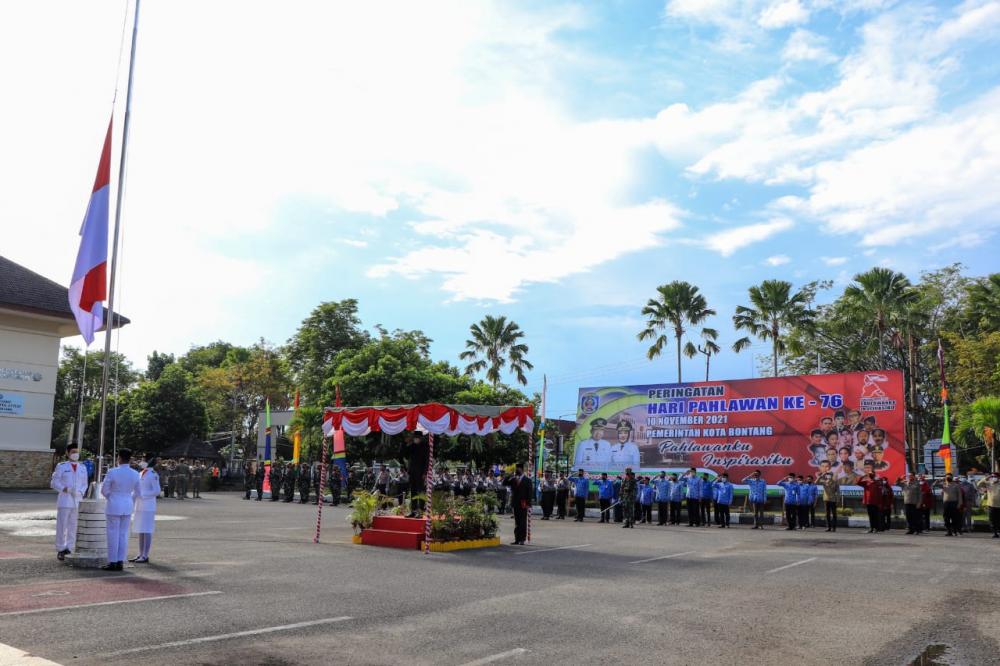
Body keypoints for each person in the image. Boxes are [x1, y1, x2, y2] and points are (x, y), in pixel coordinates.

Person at [101, 449, 141, 571]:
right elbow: (138, 492)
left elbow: (104, 490)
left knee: (113, 534)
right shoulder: (135, 473)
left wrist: (112, 497)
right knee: (123, 534)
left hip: (114, 504)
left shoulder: (112, 472)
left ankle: (112, 561)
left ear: (119, 458)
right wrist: (128, 499)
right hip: (127, 504)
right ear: (130, 459)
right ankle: (120, 561)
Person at [50, 443, 89, 561]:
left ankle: (70, 548)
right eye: (73, 452)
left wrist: (81, 492)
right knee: (62, 526)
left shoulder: (83, 467)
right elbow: (54, 482)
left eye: (77, 452)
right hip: (65, 499)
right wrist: (65, 488)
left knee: (73, 525)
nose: (75, 454)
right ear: (67, 453)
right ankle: (61, 549)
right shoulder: (61, 466)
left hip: (77, 500)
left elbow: (85, 483)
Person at [130, 455, 160, 563]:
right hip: (139, 505)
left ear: (149, 461)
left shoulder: (153, 474)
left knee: (146, 530)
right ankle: (140, 553)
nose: (141, 462)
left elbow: (157, 490)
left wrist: (143, 495)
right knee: (140, 530)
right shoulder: (141, 473)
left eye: (143, 460)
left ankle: (145, 555)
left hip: (148, 506)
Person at [509, 463, 532, 545]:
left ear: (521, 469)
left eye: (517, 469)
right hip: (515, 503)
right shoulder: (514, 479)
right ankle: (517, 539)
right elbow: (505, 484)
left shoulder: (527, 480)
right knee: (516, 522)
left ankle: (522, 539)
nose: (516, 470)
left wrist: (529, 503)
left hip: (523, 503)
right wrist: (510, 476)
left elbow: (529, 493)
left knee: (522, 522)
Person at [976, 472, 1000, 538]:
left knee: (998, 519)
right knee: (992, 519)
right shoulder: (989, 483)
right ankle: (995, 533)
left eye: (995, 476)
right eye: (992, 476)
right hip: (991, 504)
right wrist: (986, 478)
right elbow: (978, 484)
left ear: (998, 477)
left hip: (999, 505)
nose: (993, 478)